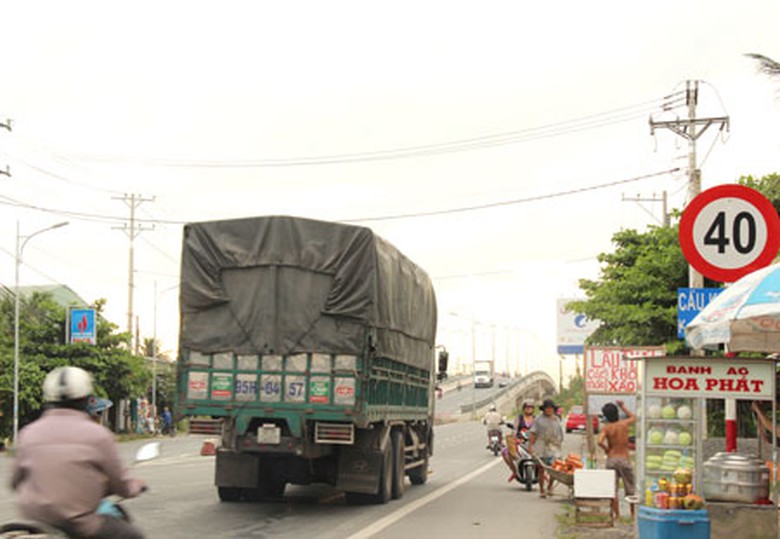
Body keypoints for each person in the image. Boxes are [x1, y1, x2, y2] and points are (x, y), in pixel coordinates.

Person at [10, 366, 146, 539]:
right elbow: (121, 484)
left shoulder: (28, 433)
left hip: (34, 519)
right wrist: (135, 486)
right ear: (86, 399)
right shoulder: (98, 435)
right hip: (78, 523)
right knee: (132, 535)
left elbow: (14, 481)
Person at [597, 400, 636, 519]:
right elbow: (633, 417)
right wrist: (623, 406)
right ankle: (632, 514)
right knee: (630, 488)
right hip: (624, 458)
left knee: (613, 489)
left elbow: (599, 441)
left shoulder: (607, 428)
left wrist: (606, 449)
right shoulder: (624, 424)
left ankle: (617, 515)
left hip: (612, 458)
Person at [528, 398, 564, 498]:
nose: (549, 410)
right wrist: (530, 446)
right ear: (544, 409)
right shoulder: (538, 420)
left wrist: (559, 443)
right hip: (541, 445)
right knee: (541, 469)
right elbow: (533, 433)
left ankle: (550, 487)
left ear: (553, 409)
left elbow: (559, 433)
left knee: (554, 468)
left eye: (551, 408)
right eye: (547, 408)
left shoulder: (556, 419)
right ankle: (542, 489)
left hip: (553, 446)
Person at [502, 400, 536, 482]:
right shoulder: (519, 418)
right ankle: (514, 471)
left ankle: (543, 474)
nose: (529, 409)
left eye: (531, 408)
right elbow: (515, 428)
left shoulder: (536, 419)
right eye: (527, 408)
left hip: (533, 441)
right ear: (524, 409)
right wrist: (514, 435)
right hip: (520, 441)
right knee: (505, 452)